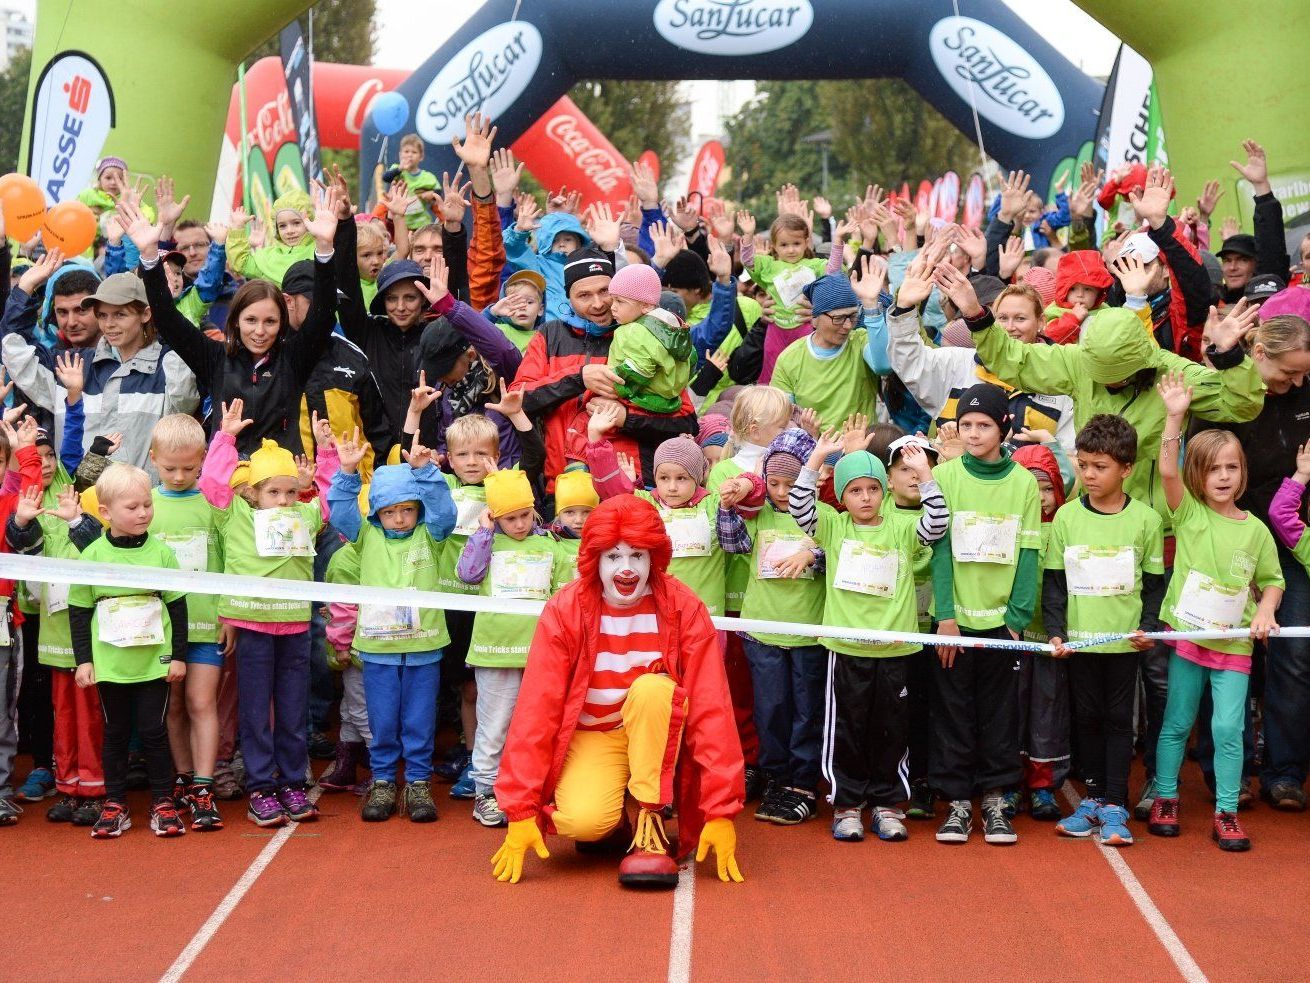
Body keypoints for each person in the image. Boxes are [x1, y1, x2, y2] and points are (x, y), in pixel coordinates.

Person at [491, 495, 745, 887]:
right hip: (596, 733)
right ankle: (616, 817)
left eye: (637, 556)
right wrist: (520, 808)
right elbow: (536, 710)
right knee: (583, 823)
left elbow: (712, 706)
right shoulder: (565, 610)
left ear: (653, 558)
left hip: (659, 735)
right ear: (595, 560)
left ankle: (650, 821)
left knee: (652, 689)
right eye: (613, 557)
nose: (626, 569)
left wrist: (720, 810)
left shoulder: (683, 607)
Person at [789, 430, 948, 842]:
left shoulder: (901, 528)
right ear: (842, 496)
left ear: (884, 491)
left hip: (896, 651)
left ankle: (887, 803)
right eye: (855, 490)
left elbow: (937, 524)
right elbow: (800, 506)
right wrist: (816, 461)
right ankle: (846, 803)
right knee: (847, 728)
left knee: (892, 729)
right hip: (846, 651)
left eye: (873, 489)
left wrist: (926, 475)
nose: (865, 497)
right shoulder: (833, 528)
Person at [1148, 374, 1283, 851]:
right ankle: (1166, 797)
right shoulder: (1188, 513)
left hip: (1234, 644)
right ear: (1196, 476)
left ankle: (1226, 810)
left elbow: (1272, 581)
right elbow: (1166, 471)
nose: (1223, 477)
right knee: (1178, 721)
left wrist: (1266, 611)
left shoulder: (1257, 530)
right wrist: (1174, 416)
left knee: (1228, 727)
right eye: (1213, 469)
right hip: (1187, 638)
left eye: (1232, 467)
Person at [198, 401, 338, 828]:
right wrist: (224, 438)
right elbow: (210, 482)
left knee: (293, 710)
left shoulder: (303, 514)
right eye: (272, 492)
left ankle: (293, 782)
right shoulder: (235, 514)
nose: (282, 500)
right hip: (253, 627)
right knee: (256, 712)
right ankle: (261, 786)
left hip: (295, 625)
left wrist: (328, 454)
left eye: (290, 492)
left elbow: (331, 499)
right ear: (252, 493)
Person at [122, 188, 341, 455]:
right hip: (225, 483)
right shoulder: (214, 358)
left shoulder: (294, 358)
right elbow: (167, 320)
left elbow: (323, 314)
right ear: (235, 321)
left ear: (282, 322)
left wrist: (325, 249)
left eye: (270, 321)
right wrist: (149, 255)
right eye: (250, 320)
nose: (260, 331)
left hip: (281, 485)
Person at [928, 383, 1041, 847]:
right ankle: (956, 803)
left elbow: (1029, 553)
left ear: (1005, 428)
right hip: (956, 623)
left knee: (1000, 715)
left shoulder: (1023, 484)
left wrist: (1016, 617)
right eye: (966, 425)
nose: (973, 434)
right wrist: (946, 617)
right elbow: (940, 553)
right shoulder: (947, 477)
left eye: (984, 425)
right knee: (953, 712)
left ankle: (995, 799)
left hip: (1000, 626)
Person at [1046, 414, 1165, 846]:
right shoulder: (1065, 519)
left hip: (1124, 646)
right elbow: (1055, 582)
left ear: (1126, 469)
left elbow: (1154, 586)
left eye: (1101, 467)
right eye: (1084, 464)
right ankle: (1093, 799)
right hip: (1080, 645)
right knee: (1086, 719)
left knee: (1119, 723)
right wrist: (1058, 632)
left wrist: (1148, 628)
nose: (1090, 474)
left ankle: (1116, 802)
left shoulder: (1147, 521)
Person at [327, 429, 457, 824]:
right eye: (389, 511)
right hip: (379, 648)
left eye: (407, 509)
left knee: (419, 717)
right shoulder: (365, 537)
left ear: (417, 509)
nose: (399, 518)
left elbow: (445, 512)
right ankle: (383, 779)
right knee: (382, 717)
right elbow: (340, 512)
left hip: (423, 645)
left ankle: (417, 782)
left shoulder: (430, 535)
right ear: (376, 514)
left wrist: (426, 474)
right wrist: (347, 473)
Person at [67, 464, 189, 839]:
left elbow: (177, 606)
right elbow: (79, 609)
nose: (143, 513)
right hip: (111, 665)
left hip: (155, 663)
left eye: (147, 505)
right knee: (116, 732)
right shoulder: (91, 556)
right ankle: (115, 802)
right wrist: (84, 660)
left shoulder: (163, 554)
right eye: (132, 507)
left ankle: (163, 801)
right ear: (105, 512)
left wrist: (179, 656)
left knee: (154, 732)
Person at [514, 247, 697, 494]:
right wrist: (578, 378)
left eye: (605, 291)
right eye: (584, 295)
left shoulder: (642, 334)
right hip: (564, 487)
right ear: (568, 297)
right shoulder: (550, 334)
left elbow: (686, 423)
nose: (598, 304)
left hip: (632, 483)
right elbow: (517, 399)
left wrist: (626, 419)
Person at [722, 427, 828, 827]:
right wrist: (728, 506)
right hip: (762, 632)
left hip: (809, 634)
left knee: (806, 711)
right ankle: (775, 775)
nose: (781, 491)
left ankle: (802, 784)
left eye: (791, 482)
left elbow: (837, 555)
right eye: (775, 482)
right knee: (771, 709)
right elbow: (732, 544)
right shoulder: (757, 515)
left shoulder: (824, 518)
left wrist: (813, 556)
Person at [456, 467, 570, 828]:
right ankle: (486, 792)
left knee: (536, 724)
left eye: (524, 515)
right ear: (494, 516)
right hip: (495, 650)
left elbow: (562, 593)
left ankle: (530, 788)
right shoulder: (487, 543)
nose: (519, 525)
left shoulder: (549, 545)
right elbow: (467, 574)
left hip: (538, 652)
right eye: (509, 518)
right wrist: (485, 533)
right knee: (496, 724)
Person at [2, 263, 199, 470]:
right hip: (78, 501)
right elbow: (13, 350)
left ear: (146, 314)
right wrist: (24, 289)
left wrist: (166, 310)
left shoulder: (169, 362)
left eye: (120, 315)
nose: (109, 324)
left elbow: (185, 405)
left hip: (144, 501)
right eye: (103, 315)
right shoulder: (71, 363)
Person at [148, 414, 226, 832]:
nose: (179, 476)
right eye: (170, 468)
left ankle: (204, 785)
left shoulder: (214, 504)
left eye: (189, 468)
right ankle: (181, 779)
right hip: (159, 631)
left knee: (201, 702)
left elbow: (231, 562)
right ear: (153, 459)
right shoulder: (146, 505)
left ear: (202, 463)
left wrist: (227, 613)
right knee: (172, 707)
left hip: (206, 625)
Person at [769, 265, 884, 431]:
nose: (847, 326)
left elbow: (883, 366)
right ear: (814, 318)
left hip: (860, 449)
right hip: (812, 448)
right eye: (838, 318)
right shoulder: (789, 358)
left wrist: (871, 306)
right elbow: (779, 417)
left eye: (852, 316)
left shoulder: (860, 340)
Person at [0, 417, 43, 825]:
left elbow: (29, 492)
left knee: (2, 710)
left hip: (3, 625)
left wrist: (25, 449)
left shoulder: (8, 506)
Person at [605, 263, 693, 416]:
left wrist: (616, 388)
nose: (612, 307)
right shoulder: (672, 325)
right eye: (612, 300)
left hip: (642, 401)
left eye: (619, 301)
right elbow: (692, 356)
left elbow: (639, 370)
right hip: (671, 400)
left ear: (645, 305)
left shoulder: (633, 331)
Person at [226, 189, 317, 286]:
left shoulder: (321, 249)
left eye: (296, 223)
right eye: (282, 226)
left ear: (309, 221)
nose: (289, 231)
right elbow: (241, 264)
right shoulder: (267, 257)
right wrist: (237, 228)